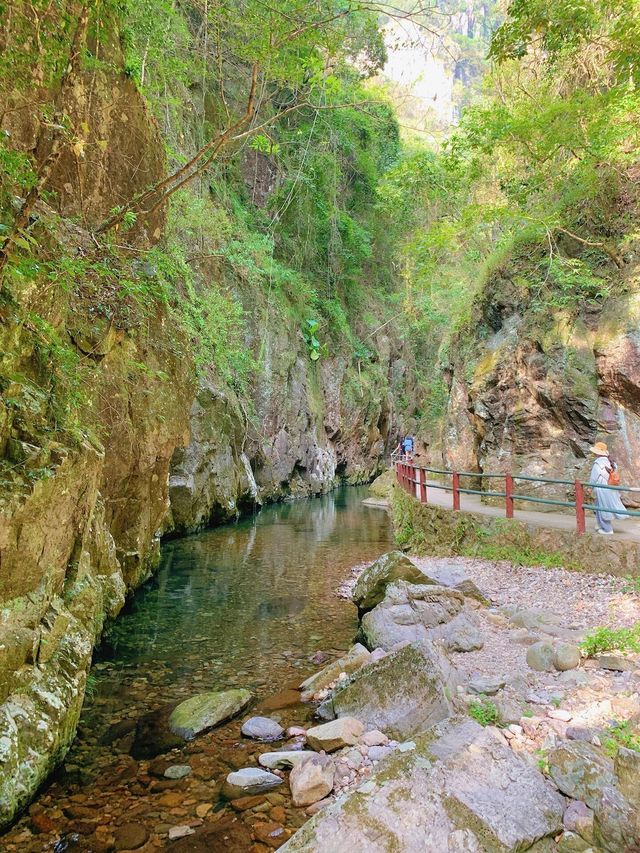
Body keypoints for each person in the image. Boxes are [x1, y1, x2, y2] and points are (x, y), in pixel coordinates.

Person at [588, 441, 627, 534]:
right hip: (611, 488)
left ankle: (607, 529)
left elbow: (594, 477)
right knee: (599, 506)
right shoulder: (611, 462)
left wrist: (590, 488)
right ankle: (600, 525)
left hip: (602, 488)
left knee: (602, 507)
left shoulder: (598, 463)